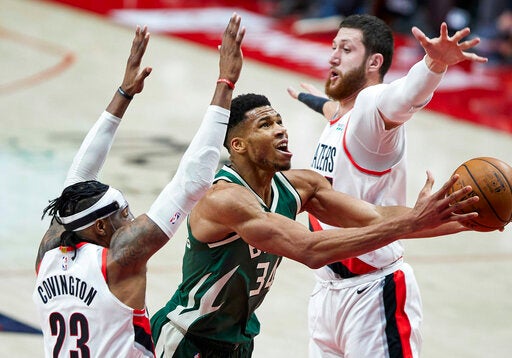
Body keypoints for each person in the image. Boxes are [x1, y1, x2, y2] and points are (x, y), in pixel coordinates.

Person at [150, 91, 480, 357]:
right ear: (238, 146)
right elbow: (310, 250)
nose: (281, 128)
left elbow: (378, 217)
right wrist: (410, 224)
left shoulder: (302, 185)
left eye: (280, 121)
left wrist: (463, 219)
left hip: (237, 343)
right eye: (265, 125)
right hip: (186, 340)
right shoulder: (224, 199)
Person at [32, 13, 245, 358]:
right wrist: (225, 83)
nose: (132, 222)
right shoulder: (119, 260)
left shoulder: (50, 253)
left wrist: (124, 94)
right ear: (101, 226)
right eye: (124, 214)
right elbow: (192, 182)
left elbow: (75, 184)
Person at [286, 14, 488, 358]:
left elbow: (402, 97)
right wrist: (317, 102)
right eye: (334, 46)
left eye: (346, 49)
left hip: (372, 295)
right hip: (327, 294)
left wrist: (432, 66)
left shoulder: (372, 107)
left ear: (374, 62)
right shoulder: (345, 115)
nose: (333, 55)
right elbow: (336, 112)